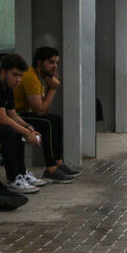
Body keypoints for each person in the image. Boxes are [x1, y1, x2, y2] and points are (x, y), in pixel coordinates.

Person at [14, 46, 78, 183]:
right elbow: (40, 111)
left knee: (55, 120)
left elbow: (45, 110)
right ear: (40, 63)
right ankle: (51, 169)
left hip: (22, 114)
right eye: (51, 62)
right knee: (48, 122)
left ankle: (59, 163)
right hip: (15, 116)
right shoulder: (30, 77)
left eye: (57, 63)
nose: (55, 66)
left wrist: (50, 87)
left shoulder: (39, 78)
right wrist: (53, 89)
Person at [0, 54, 44, 194]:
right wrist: (25, 132)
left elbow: (11, 113)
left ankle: (21, 173)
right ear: (3, 72)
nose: (18, 80)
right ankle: (13, 179)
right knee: (9, 130)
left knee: (18, 129)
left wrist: (27, 128)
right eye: (15, 75)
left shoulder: (9, 88)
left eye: (20, 76)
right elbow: (2, 118)